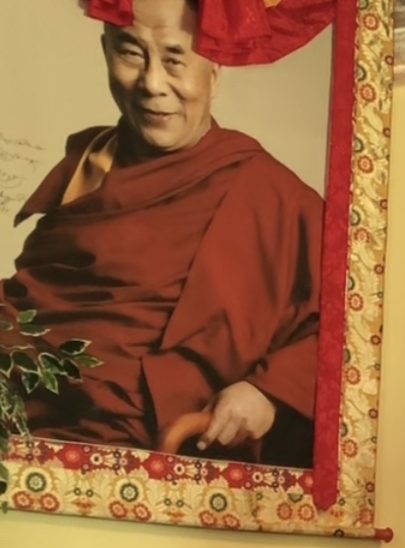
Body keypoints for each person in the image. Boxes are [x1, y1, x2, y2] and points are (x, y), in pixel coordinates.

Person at [9, 0, 323, 466]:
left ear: (214, 70)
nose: (153, 84)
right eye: (130, 53)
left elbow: (353, 330)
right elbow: (32, 303)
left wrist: (267, 393)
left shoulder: (268, 194)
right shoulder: (89, 161)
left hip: (148, 440)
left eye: (175, 59)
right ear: (104, 51)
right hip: (22, 408)